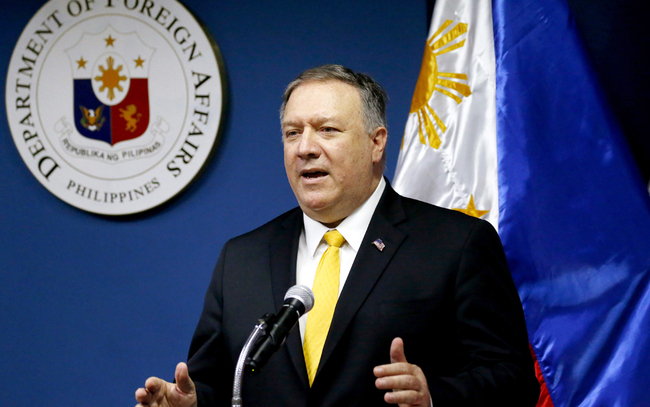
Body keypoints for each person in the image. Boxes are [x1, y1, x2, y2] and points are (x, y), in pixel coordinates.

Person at [135, 65, 539, 407]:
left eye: (326, 130)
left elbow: (512, 379)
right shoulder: (242, 258)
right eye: (293, 133)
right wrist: (191, 403)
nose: (305, 148)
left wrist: (436, 395)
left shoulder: (457, 243)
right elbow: (219, 383)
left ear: (376, 142)